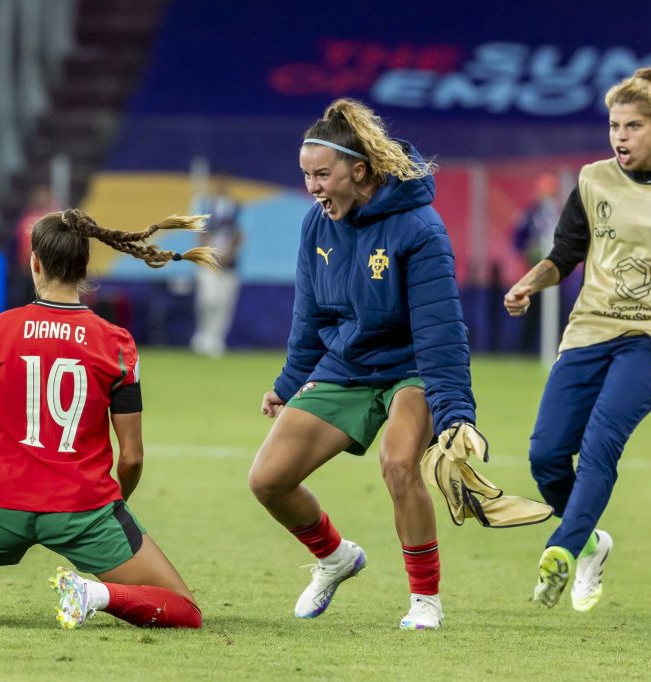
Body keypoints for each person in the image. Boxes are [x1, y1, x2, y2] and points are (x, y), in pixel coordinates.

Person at [0, 209, 218, 629]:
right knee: (182, 609)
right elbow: (131, 457)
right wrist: (111, 510)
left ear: (35, 262)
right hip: (85, 508)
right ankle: (92, 594)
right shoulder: (117, 344)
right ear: (84, 267)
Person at [503, 67, 651, 612]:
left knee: (603, 438)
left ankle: (561, 550)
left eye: (632, 126)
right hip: (592, 327)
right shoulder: (593, 180)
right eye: (614, 126)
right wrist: (529, 283)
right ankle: (591, 542)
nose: (620, 137)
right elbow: (566, 254)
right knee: (545, 455)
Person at [247, 98, 486, 630]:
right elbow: (309, 314)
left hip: (411, 368)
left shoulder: (420, 227)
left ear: (359, 170)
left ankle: (425, 600)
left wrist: (455, 415)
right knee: (267, 480)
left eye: (323, 175)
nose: (313, 187)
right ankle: (335, 558)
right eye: (306, 175)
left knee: (399, 464)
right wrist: (289, 383)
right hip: (347, 364)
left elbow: (440, 330)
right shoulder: (317, 225)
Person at [189, 173, 243, 358]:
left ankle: (216, 339)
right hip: (209, 262)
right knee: (208, 299)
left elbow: (240, 234)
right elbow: (200, 233)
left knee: (224, 303)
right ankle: (202, 336)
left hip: (229, 264)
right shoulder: (205, 206)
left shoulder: (237, 208)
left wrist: (229, 255)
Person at [511, 173, 560, 352]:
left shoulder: (561, 213)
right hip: (534, 270)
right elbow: (518, 240)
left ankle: (556, 348)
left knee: (557, 311)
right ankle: (525, 351)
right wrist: (527, 253)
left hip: (558, 270)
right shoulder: (529, 214)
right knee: (530, 311)